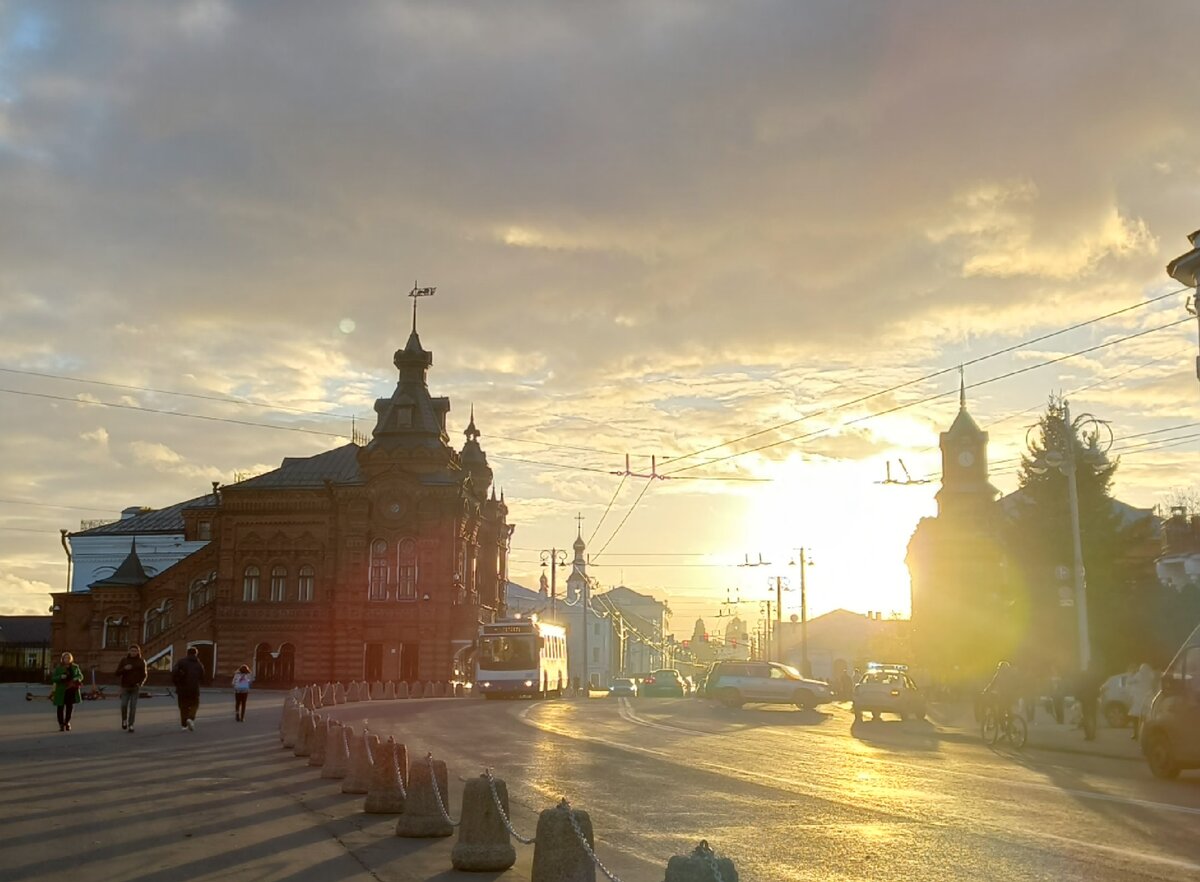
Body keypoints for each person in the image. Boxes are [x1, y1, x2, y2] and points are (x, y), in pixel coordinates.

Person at [114, 644, 148, 732]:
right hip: (125, 687)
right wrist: (124, 669)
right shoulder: (124, 661)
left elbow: (144, 675)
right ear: (129, 651)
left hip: (135, 688)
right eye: (132, 651)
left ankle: (131, 724)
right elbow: (117, 673)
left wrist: (140, 683)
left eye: (135, 651)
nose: (133, 652)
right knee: (123, 705)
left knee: (133, 707)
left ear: (138, 652)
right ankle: (124, 720)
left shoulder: (141, 661)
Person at [171, 646, 205, 731]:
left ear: (187, 653)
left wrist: (177, 684)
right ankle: (190, 718)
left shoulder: (181, 662)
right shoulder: (198, 664)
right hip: (194, 688)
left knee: (183, 706)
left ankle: (184, 725)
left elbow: (174, 673)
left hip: (182, 688)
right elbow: (202, 676)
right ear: (196, 654)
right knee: (195, 704)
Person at [51, 651, 84, 732]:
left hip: (71, 690)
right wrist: (60, 677)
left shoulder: (75, 667)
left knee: (70, 707)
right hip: (61, 690)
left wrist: (77, 678)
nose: (67, 659)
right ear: (62, 659)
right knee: (60, 707)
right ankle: (61, 724)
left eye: (68, 658)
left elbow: (81, 676)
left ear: (71, 659)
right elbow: (53, 678)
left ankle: (67, 722)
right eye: (65, 658)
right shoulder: (59, 668)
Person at [1127, 662, 1159, 741]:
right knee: (1146, 719)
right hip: (1147, 700)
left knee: (1136, 719)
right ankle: (1146, 735)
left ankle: (1136, 734)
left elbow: (1129, 681)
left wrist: (1130, 673)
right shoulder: (1150, 676)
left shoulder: (1139, 675)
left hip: (1138, 701)